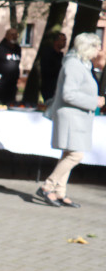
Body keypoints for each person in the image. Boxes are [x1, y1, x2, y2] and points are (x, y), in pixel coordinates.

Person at [35, 32, 106, 208]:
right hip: (71, 117)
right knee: (76, 154)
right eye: (97, 46)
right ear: (87, 47)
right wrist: (94, 101)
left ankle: (60, 193)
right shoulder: (73, 64)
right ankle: (47, 186)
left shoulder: (81, 64)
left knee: (68, 154)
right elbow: (69, 94)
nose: (99, 51)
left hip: (77, 117)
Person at [39, 31, 68, 107]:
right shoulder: (48, 54)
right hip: (49, 87)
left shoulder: (61, 56)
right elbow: (46, 71)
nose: (65, 42)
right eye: (63, 40)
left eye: (65, 40)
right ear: (56, 41)